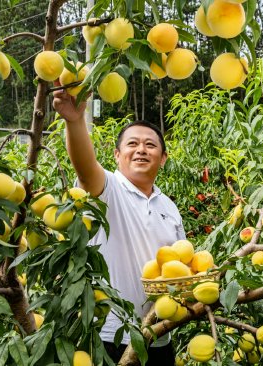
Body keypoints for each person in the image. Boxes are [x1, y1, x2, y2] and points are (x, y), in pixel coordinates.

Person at [52, 84, 185, 365]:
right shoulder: (109, 188)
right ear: (116, 155)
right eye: (132, 144)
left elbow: (180, 268)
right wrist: (74, 121)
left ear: (163, 158)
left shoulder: (169, 207)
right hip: (110, 337)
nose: (141, 150)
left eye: (150, 145)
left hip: (159, 336)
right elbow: (86, 170)